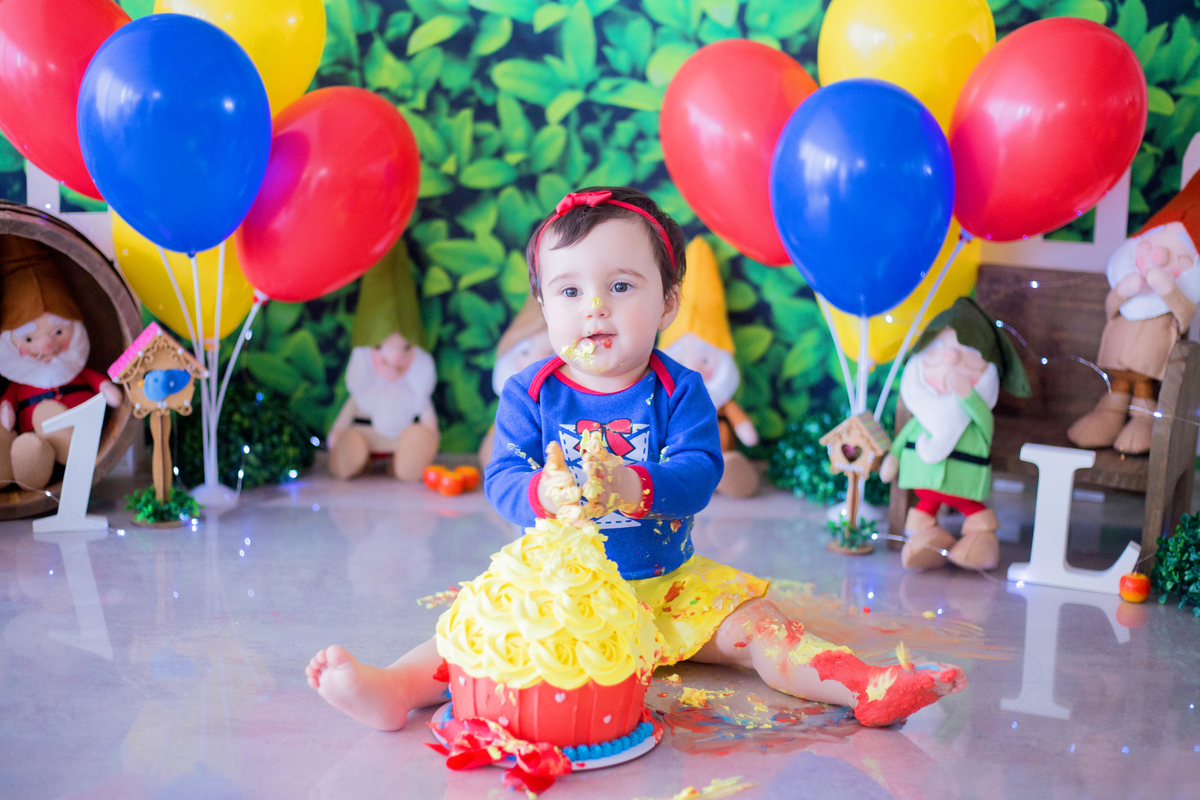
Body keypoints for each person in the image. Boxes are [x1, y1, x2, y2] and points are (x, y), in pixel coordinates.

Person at [306, 187, 965, 732]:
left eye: (620, 286)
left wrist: (633, 484)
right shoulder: (530, 392)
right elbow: (503, 479)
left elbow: (699, 475)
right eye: (568, 292)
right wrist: (543, 493)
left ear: (667, 303)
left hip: (667, 584)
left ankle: (862, 685)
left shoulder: (680, 390)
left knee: (762, 628)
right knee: (480, 632)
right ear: (543, 307)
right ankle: (395, 687)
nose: (594, 307)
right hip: (563, 596)